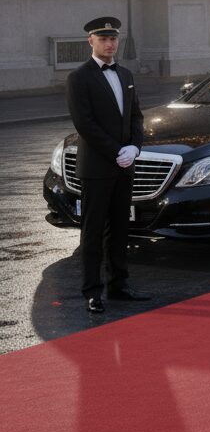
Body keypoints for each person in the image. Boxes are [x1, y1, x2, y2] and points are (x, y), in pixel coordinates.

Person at [65, 17, 149, 313]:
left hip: (125, 165)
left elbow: (136, 116)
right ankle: (92, 291)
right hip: (98, 167)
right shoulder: (79, 77)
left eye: (113, 38)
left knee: (120, 228)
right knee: (93, 231)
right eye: (103, 39)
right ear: (91, 42)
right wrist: (117, 151)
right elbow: (84, 124)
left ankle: (119, 285)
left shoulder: (125, 73)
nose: (110, 44)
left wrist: (134, 148)